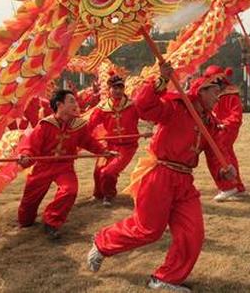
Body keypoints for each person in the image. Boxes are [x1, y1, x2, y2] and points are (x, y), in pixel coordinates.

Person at [86, 62, 236, 292]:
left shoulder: (210, 123)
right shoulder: (177, 107)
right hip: (160, 175)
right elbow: (145, 107)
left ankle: (165, 279)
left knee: (193, 232)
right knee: (148, 230)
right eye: (216, 92)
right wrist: (159, 81)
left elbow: (217, 155)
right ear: (202, 89)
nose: (219, 98)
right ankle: (102, 242)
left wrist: (224, 172)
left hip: (185, 181)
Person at [17, 89, 114, 239]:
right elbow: (30, 145)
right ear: (59, 105)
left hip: (65, 166)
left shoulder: (78, 125)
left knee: (70, 190)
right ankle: (26, 220)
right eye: (71, 101)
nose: (76, 104)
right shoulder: (45, 125)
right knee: (29, 203)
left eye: (75, 101)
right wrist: (26, 156)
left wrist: (103, 151)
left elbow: (88, 141)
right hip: (44, 166)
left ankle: (51, 221)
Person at [88, 73, 140, 206]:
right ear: (109, 89)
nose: (118, 91)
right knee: (98, 170)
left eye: (120, 88)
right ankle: (98, 194)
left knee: (108, 171)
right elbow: (89, 126)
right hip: (109, 145)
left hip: (127, 146)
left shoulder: (133, 105)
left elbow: (150, 114)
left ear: (124, 89)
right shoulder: (102, 108)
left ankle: (108, 195)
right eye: (115, 88)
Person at [202, 65, 246, 202]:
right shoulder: (218, 93)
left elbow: (236, 116)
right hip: (220, 127)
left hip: (225, 129)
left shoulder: (230, 95)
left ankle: (228, 187)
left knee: (217, 154)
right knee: (227, 155)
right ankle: (237, 186)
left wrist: (224, 124)